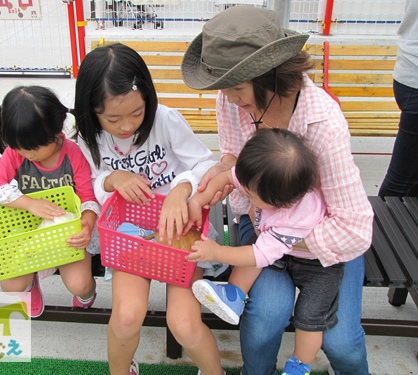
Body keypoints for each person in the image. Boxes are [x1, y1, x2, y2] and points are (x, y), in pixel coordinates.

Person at [180, 5, 374, 375]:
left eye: (237, 88)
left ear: (270, 74)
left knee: (341, 342)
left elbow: (354, 229)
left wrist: (282, 238)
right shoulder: (232, 101)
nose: (230, 99)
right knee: (265, 316)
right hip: (263, 221)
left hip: (321, 239)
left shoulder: (323, 124)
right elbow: (233, 163)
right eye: (224, 88)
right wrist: (207, 188)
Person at [74, 43, 226, 375]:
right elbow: (89, 188)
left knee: (184, 324)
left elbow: (204, 164)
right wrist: (112, 179)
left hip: (180, 232)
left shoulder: (166, 119)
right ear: (91, 110)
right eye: (112, 118)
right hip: (130, 239)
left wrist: (181, 188)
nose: (126, 126)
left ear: (148, 99)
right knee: (127, 316)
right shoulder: (88, 138)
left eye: (137, 113)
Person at [186, 128, 344, 375]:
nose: (244, 193)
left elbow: (258, 255)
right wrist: (199, 199)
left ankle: (299, 365)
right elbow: (228, 177)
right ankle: (233, 294)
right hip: (280, 247)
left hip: (319, 267)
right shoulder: (263, 177)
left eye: (251, 195)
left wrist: (216, 252)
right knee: (254, 260)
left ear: (284, 203)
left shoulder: (295, 217)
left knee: (309, 319)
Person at [0, 85, 101, 318]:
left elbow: (88, 198)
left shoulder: (74, 154)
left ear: (56, 132)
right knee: (10, 286)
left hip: (68, 234)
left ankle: (87, 296)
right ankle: (30, 285)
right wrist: (29, 203)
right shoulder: (16, 153)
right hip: (31, 230)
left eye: (34, 148)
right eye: (20, 147)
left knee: (81, 284)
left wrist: (86, 226)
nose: (28, 155)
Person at [378, 0, 418, 199]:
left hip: (411, 74)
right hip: (416, 78)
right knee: (402, 183)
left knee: (406, 179)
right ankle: (383, 228)